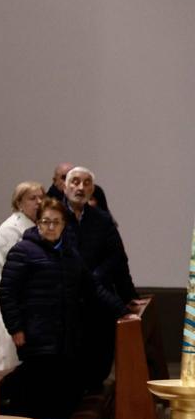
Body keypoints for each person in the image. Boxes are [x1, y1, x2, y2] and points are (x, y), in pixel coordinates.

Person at [0, 199, 132, 419]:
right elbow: (7, 293)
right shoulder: (23, 250)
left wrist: (121, 310)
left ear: (64, 225)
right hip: (36, 333)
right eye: (45, 222)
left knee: (62, 390)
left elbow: (92, 287)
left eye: (56, 222)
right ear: (37, 223)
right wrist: (16, 328)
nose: (51, 227)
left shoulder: (70, 253)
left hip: (65, 334)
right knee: (39, 389)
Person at [62, 166, 141, 390]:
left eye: (86, 183)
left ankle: (94, 399)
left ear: (93, 189)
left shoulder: (102, 219)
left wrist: (128, 295)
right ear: (65, 187)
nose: (80, 187)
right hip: (68, 302)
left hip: (98, 299)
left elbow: (117, 257)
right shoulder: (55, 216)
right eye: (75, 182)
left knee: (98, 358)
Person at [0, 182, 43, 373]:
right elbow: (12, 270)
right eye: (32, 198)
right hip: (12, 298)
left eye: (41, 197)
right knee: (10, 358)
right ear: (19, 203)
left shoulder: (37, 226)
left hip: (29, 301)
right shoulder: (11, 229)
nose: (39, 202)